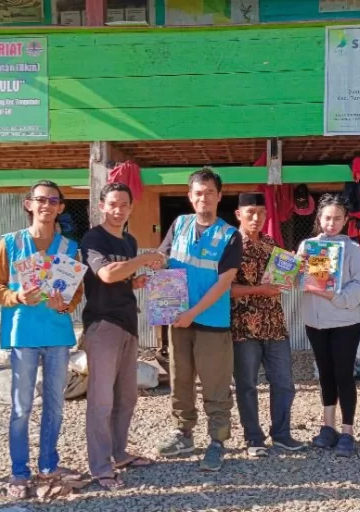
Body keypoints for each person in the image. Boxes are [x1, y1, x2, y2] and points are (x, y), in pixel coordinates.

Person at [0, 180, 84, 498]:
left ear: (61, 207)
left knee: (55, 406)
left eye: (52, 200)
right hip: (23, 334)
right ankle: (19, 472)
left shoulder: (70, 248)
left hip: (57, 333)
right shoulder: (11, 242)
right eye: (40, 200)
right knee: (21, 406)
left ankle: (48, 465)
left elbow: (76, 292)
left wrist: (66, 304)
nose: (46, 205)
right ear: (28, 204)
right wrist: (16, 296)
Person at [154, 167, 243, 472]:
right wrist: (144, 275)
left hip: (211, 322)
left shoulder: (231, 236)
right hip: (178, 320)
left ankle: (217, 441)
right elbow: (162, 260)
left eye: (209, 192)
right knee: (180, 380)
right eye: (197, 193)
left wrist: (192, 312)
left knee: (215, 384)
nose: (203, 197)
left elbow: (224, 283)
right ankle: (184, 432)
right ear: (190, 197)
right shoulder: (179, 224)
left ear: (219, 196)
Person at [80, 183, 164, 490]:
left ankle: (118, 452)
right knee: (101, 400)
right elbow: (106, 275)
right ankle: (100, 466)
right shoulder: (93, 238)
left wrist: (136, 280)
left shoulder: (129, 240)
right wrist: (143, 259)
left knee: (126, 396)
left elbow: (121, 278)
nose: (118, 210)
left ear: (131, 207)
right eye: (112, 204)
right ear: (102, 205)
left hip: (129, 323)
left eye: (124, 205)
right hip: (102, 325)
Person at [229, 192, 304, 459]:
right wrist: (261, 289)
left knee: (284, 383)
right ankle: (253, 438)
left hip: (274, 324)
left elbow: (284, 282)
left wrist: (296, 268)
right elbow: (223, 288)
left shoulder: (272, 243)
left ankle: (282, 435)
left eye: (261, 212)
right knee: (247, 385)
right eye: (250, 212)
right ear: (238, 214)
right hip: (244, 326)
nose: (256, 217)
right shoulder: (229, 244)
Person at [300, 194, 360, 457]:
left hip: (344, 322)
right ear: (319, 218)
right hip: (315, 322)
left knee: (344, 375)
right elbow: (297, 281)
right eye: (327, 217)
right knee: (325, 374)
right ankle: (327, 426)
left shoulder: (351, 249)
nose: (331, 222)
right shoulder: (308, 246)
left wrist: (335, 297)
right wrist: (299, 271)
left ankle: (348, 430)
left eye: (337, 218)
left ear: (346, 220)